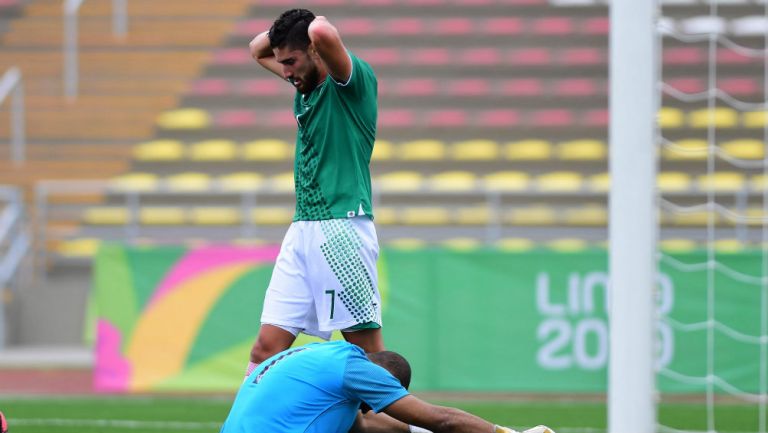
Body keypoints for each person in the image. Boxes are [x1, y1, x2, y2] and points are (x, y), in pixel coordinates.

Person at [245, 8, 384, 377]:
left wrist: (312, 22)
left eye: (291, 61)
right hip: (303, 228)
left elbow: (321, 30)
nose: (285, 72)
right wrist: (286, 34)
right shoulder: (303, 83)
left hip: (342, 231)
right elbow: (257, 48)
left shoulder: (350, 84)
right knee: (265, 349)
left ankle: (413, 426)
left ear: (315, 51)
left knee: (368, 356)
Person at [220, 341, 555, 433]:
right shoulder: (359, 372)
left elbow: (363, 426)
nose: (367, 408)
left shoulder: (322, 356)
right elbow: (442, 420)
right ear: (384, 383)